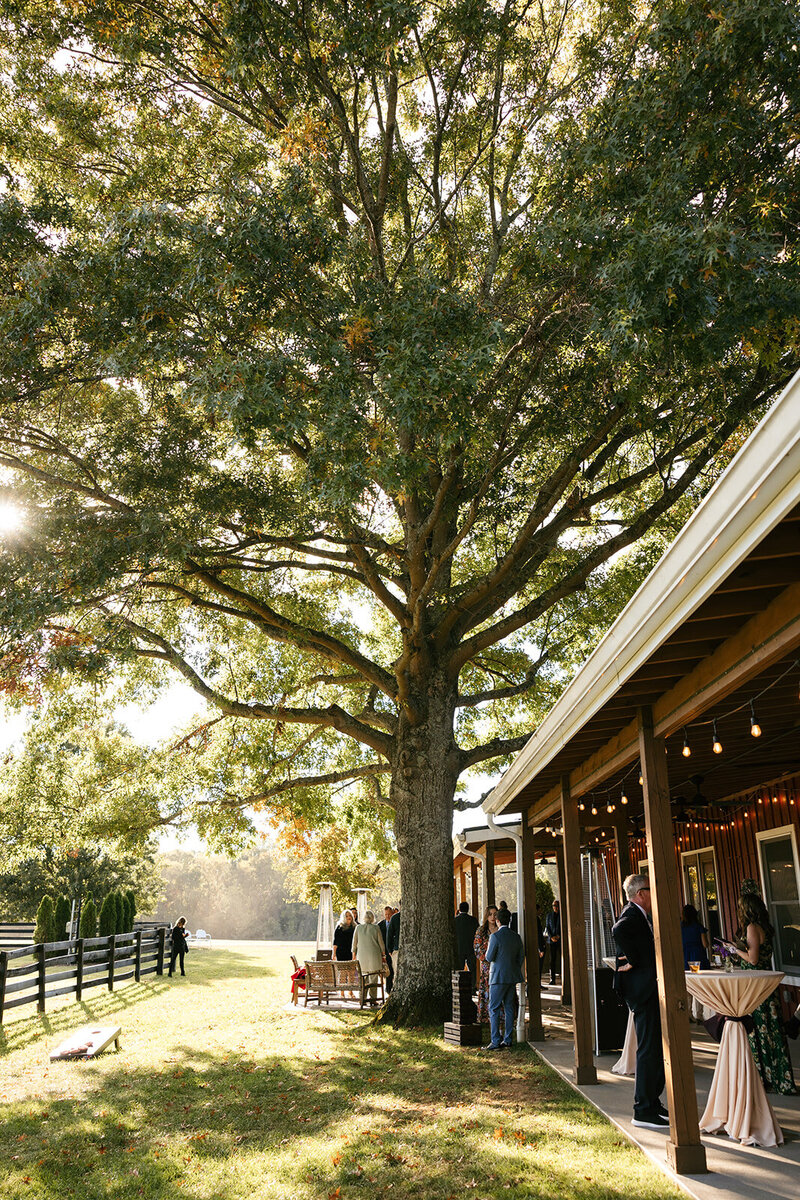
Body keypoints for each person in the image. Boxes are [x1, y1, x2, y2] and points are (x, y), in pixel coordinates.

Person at [727, 881, 796, 1094]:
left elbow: (754, 959)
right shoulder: (766, 926)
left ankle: (763, 1077)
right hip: (766, 984)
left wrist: (734, 950)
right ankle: (778, 1077)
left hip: (756, 985)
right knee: (772, 1031)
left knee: (758, 1030)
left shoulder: (751, 928)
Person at [612, 874, 668, 1130]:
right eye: (651, 890)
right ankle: (643, 1109)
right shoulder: (630, 916)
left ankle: (652, 1103)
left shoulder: (641, 916)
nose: (654, 895)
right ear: (641, 894)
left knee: (654, 1046)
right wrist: (634, 959)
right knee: (647, 1049)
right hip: (642, 990)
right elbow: (618, 929)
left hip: (647, 989)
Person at [484, 907, 524, 1050]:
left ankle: (495, 1041)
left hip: (498, 977)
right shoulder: (516, 937)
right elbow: (520, 957)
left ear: (498, 920)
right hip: (511, 977)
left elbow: (488, 957)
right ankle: (507, 1039)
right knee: (509, 1008)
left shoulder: (495, 937)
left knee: (493, 1008)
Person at [680, 904, 710, 1022]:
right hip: (696, 958)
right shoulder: (698, 927)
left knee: (688, 986)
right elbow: (705, 944)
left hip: (684, 957)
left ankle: (688, 1013)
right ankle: (699, 1014)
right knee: (698, 985)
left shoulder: (680, 927)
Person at [352, 910, 386, 1004]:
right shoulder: (376, 928)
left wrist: (354, 956)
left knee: (363, 979)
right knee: (373, 979)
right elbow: (381, 943)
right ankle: (373, 999)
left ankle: (362, 998)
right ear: (372, 918)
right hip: (374, 957)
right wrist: (383, 954)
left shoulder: (358, 928)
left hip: (361, 957)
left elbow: (354, 944)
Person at [473, 906, 497, 1024]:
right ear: (487, 916)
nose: (493, 917)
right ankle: (485, 1017)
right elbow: (477, 950)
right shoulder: (481, 930)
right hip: (487, 966)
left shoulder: (500, 930)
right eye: (490, 914)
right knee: (487, 989)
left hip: (500, 965)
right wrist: (487, 956)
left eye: (495, 914)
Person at [454, 901, 479, 984]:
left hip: (459, 948)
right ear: (468, 909)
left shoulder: (455, 920)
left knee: (459, 969)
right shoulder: (473, 920)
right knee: (472, 969)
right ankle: (472, 986)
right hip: (470, 948)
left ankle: (459, 986)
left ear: (459, 909)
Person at [378, 905, 395, 993]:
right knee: (388, 973)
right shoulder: (380, 925)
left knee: (393, 971)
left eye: (389, 914)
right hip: (384, 952)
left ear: (392, 913)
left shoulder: (395, 923)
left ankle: (392, 989)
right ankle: (388, 990)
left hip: (393, 951)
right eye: (386, 914)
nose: (387, 916)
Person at [545, 899, 561, 985]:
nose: (555, 907)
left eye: (557, 906)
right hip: (551, 941)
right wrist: (551, 937)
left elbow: (564, 926)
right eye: (554, 906)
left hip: (560, 940)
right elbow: (547, 927)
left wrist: (558, 936)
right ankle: (552, 979)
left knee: (562, 959)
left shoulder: (562, 915)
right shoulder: (549, 915)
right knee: (552, 960)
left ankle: (563, 976)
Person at [386, 904, 401, 982]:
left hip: (397, 949)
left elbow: (389, 934)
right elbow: (390, 934)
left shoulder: (395, 918)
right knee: (396, 972)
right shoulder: (395, 918)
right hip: (396, 949)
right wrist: (390, 950)